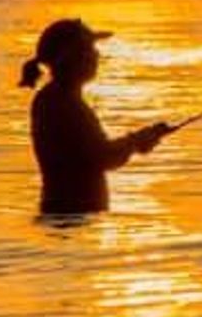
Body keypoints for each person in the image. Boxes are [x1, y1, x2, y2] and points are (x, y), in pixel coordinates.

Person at [19, 17, 171, 215]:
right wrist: (135, 142)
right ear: (71, 56)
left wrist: (136, 141)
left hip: (68, 218)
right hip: (71, 219)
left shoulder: (59, 99)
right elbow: (101, 157)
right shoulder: (61, 103)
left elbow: (93, 155)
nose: (96, 54)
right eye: (89, 48)